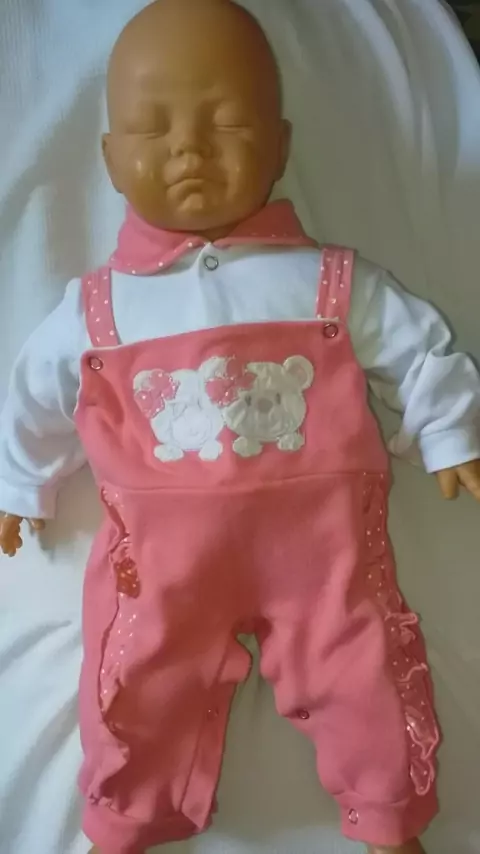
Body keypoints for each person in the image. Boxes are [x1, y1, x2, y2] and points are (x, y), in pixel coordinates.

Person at [1, 1, 480, 852]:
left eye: (225, 122)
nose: (189, 148)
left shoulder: (327, 281)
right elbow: (33, 394)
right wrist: (20, 482)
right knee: (133, 683)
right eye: (154, 128)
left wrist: (449, 429)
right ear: (110, 157)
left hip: (321, 549)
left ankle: (387, 818)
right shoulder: (97, 308)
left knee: (361, 666)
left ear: (280, 145)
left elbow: (416, 348)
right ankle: (127, 820)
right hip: (160, 565)